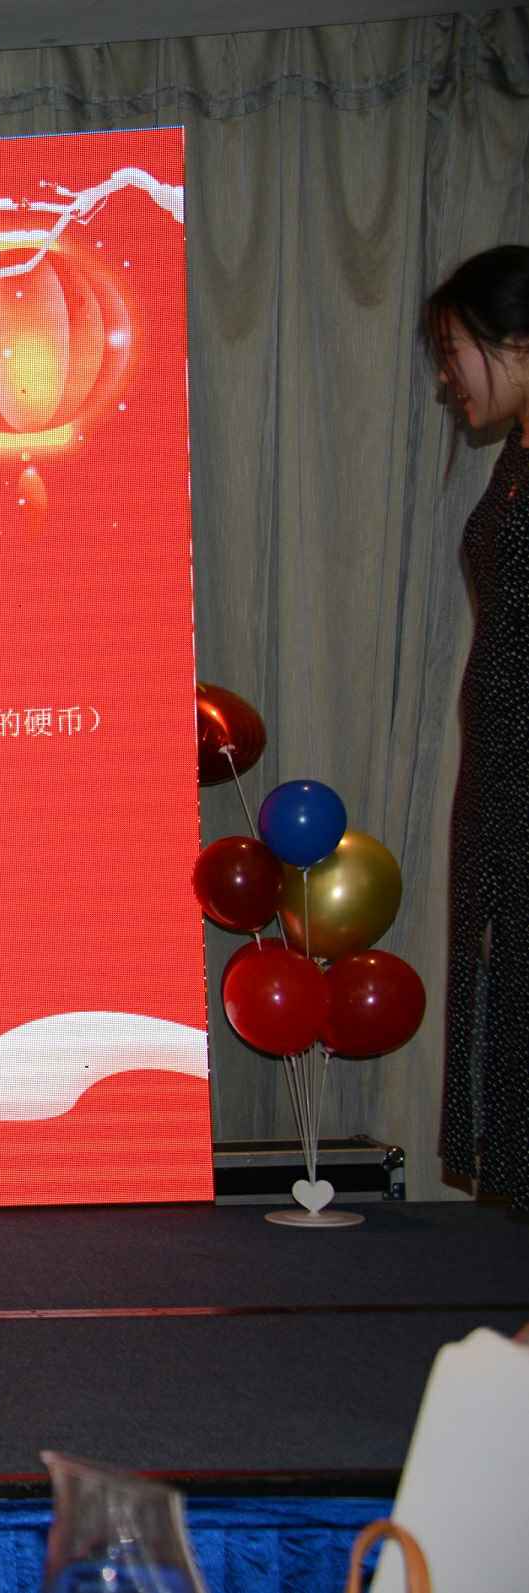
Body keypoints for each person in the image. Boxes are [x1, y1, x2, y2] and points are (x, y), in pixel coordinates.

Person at [424, 245, 529, 1215]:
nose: (446, 376)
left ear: (518, 341)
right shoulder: (516, 460)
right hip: (501, 778)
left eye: (453, 348)